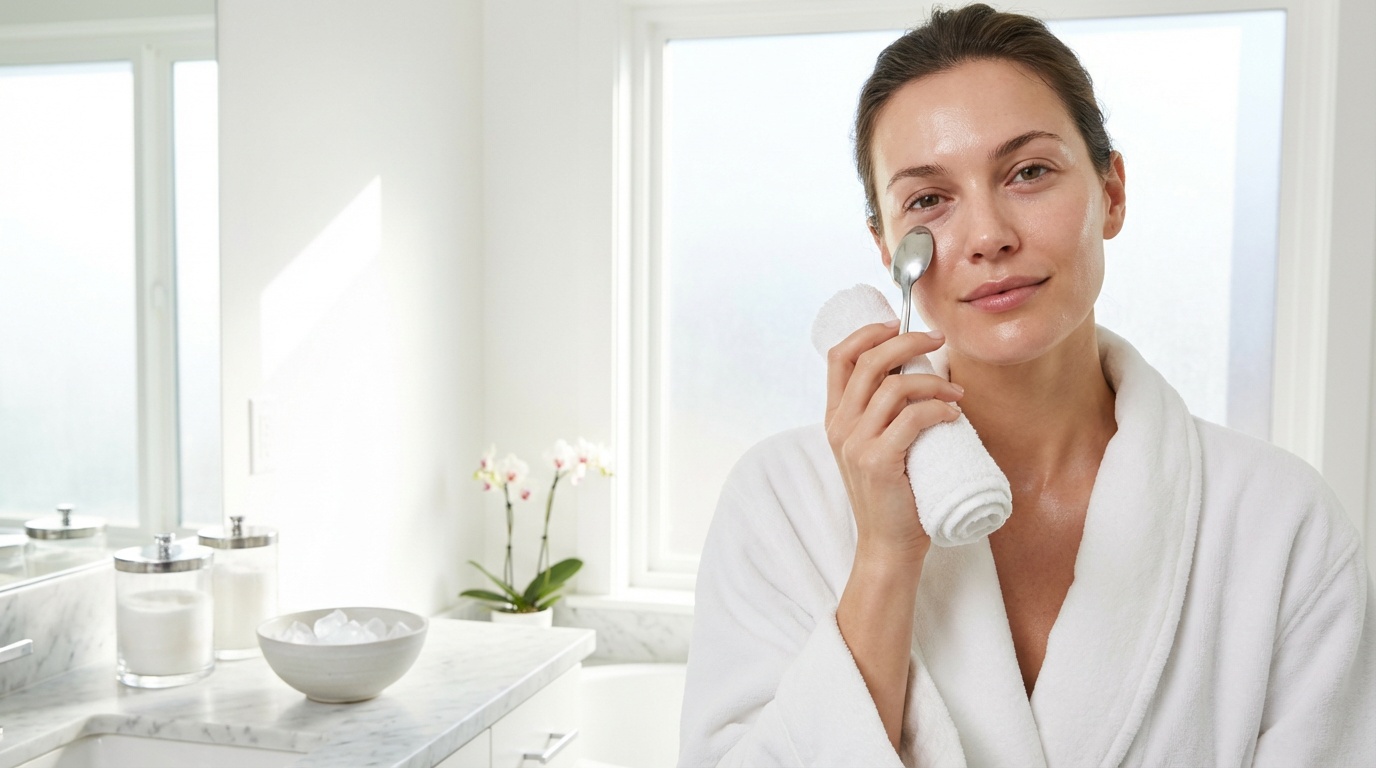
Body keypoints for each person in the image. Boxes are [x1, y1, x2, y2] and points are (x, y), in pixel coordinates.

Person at [678, 4, 1376, 766]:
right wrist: (884, 555)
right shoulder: (781, 502)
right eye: (928, 200)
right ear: (885, 244)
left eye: (1029, 172)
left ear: (1111, 192)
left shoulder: (1281, 523)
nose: (988, 236)